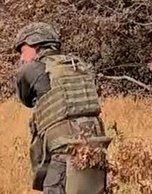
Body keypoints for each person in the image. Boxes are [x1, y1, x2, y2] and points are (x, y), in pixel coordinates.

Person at [12, 22, 110, 194]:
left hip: (63, 153)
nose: (21, 57)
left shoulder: (30, 70)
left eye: (23, 50)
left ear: (36, 43)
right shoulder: (78, 65)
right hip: (95, 150)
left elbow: (27, 100)